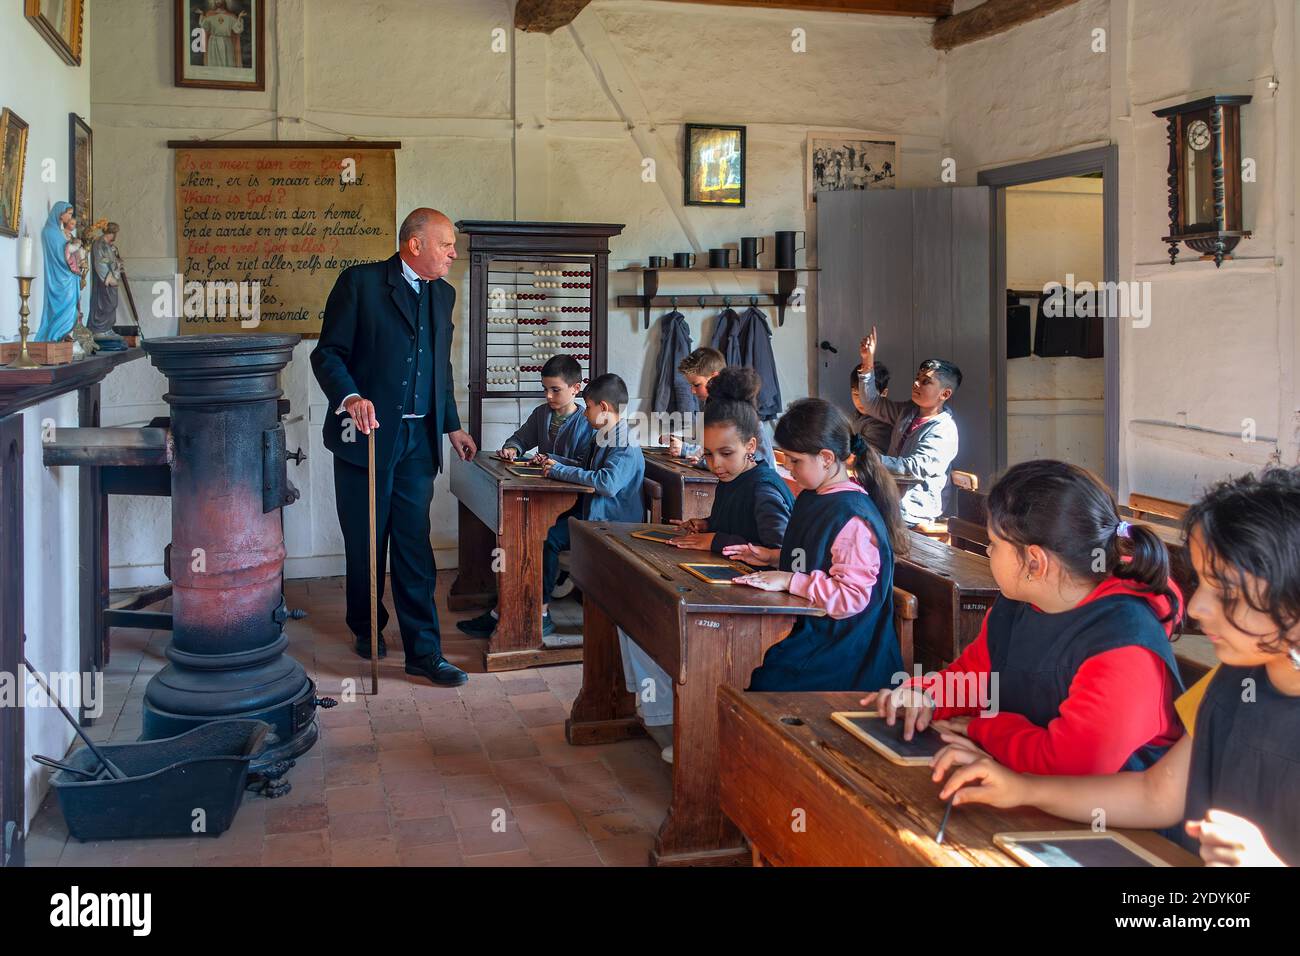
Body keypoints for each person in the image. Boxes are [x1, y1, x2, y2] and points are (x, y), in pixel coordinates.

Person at [933, 467, 1300, 867]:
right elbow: (1155, 795)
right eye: (1202, 584)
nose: (1196, 608)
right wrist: (1022, 789)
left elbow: (1081, 763)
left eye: (1225, 590)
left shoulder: (1125, 637)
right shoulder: (1231, 679)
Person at [863, 460, 1185, 775]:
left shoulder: (1124, 641)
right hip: (1028, 791)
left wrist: (984, 730)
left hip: (1111, 820)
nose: (989, 553)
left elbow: (1071, 762)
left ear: (1035, 561)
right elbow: (979, 676)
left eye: (994, 544)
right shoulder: (1017, 604)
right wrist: (927, 695)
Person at [310, 207, 476, 687]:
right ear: (414, 244)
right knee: (366, 541)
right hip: (365, 437)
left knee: (413, 544)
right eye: (445, 244)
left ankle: (425, 651)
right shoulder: (360, 284)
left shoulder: (444, 295)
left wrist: (452, 425)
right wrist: (351, 396)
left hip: (418, 442)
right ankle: (366, 627)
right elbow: (329, 354)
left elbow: (439, 367)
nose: (453, 253)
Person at [624, 367, 796, 762]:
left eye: (726, 453)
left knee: (662, 617)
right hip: (725, 586)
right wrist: (705, 525)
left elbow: (780, 549)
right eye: (708, 453)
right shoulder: (733, 479)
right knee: (635, 612)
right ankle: (658, 713)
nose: (715, 463)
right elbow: (731, 524)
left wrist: (715, 540)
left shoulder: (765, 486)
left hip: (757, 605)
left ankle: (683, 727)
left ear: (752, 447)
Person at [733, 398, 906, 692]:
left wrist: (789, 580)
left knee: (761, 679)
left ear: (826, 457)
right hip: (814, 630)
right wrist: (774, 558)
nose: (788, 467)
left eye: (795, 460)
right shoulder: (814, 496)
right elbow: (816, 560)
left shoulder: (852, 517)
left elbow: (850, 598)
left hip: (846, 651)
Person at [857, 325, 961, 526]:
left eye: (925, 382)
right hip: (887, 499)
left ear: (945, 394)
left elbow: (912, 468)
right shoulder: (909, 411)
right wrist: (867, 361)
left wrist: (867, 457)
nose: (916, 384)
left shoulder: (944, 431)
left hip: (912, 512)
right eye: (917, 379)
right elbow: (872, 404)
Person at [496, 354, 593, 465]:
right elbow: (520, 439)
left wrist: (549, 459)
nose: (548, 396)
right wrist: (512, 449)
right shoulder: (541, 413)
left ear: (576, 388)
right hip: (541, 480)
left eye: (555, 390)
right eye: (545, 389)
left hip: (571, 482)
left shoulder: (588, 422)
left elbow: (585, 464)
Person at [851, 361, 892, 454]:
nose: (861, 401)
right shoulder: (859, 413)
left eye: (867, 396)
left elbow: (868, 457)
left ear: (884, 393)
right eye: (856, 394)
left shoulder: (882, 423)